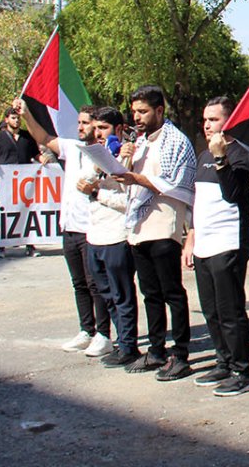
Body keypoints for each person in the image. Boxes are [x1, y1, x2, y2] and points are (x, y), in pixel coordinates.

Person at [14, 98, 113, 351]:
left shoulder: (104, 153)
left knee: (95, 284)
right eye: (78, 122)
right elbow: (44, 138)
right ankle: (86, 330)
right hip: (69, 226)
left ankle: (104, 334)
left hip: (90, 227)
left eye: (85, 123)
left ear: (96, 126)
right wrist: (26, 115)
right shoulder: (72, 147)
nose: (80, 127)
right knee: (79, 283)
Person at [113, 85, 197, 380]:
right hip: (139, 227)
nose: (136, 117)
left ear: (160, 110)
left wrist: (137, 177)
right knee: (149, 293)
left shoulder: (176, 140)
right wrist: (124, 160)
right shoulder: (139, 142)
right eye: (134, 111)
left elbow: (178, 184)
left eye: (143, 111)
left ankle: (181, 353)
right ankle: (157, 350)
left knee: (172, 291)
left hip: (163, 226)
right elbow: (127, 185)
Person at [182, 97, 249, 395]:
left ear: (229, 121)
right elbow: (199, 203)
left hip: (229, 242)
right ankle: (223, 362)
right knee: (210, 309)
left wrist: (221, 158)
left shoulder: (239, 154)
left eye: (213, 119)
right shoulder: (203, 156)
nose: (206, 124)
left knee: (231, 310)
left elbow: (233, 194)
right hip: (204, 242)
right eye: (205, 119)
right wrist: (191, 239)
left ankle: (243, 373)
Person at [80, 107, 134, 362]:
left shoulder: (128, 153)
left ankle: (128, 346)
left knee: (121, 294)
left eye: (104, 128)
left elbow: (129, 201)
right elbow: (81, 184)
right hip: (95, 234)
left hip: (117, 235)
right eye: (96, 128)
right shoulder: (95, 154)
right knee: (104, 292)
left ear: (119, 129)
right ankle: (118, 340)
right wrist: (95, 170)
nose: (98, 133)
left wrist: (97, 193)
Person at [0, 107, 40, 257]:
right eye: (13, 118)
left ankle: (30, 245)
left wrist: (44, 160)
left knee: (26, 213)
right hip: (6, 182)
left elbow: (36, 154)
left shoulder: (27, 136)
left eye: (18, 118)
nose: (16, 121)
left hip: (25, 182)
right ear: (7, 119)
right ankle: (1, 247)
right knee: (5, 213)